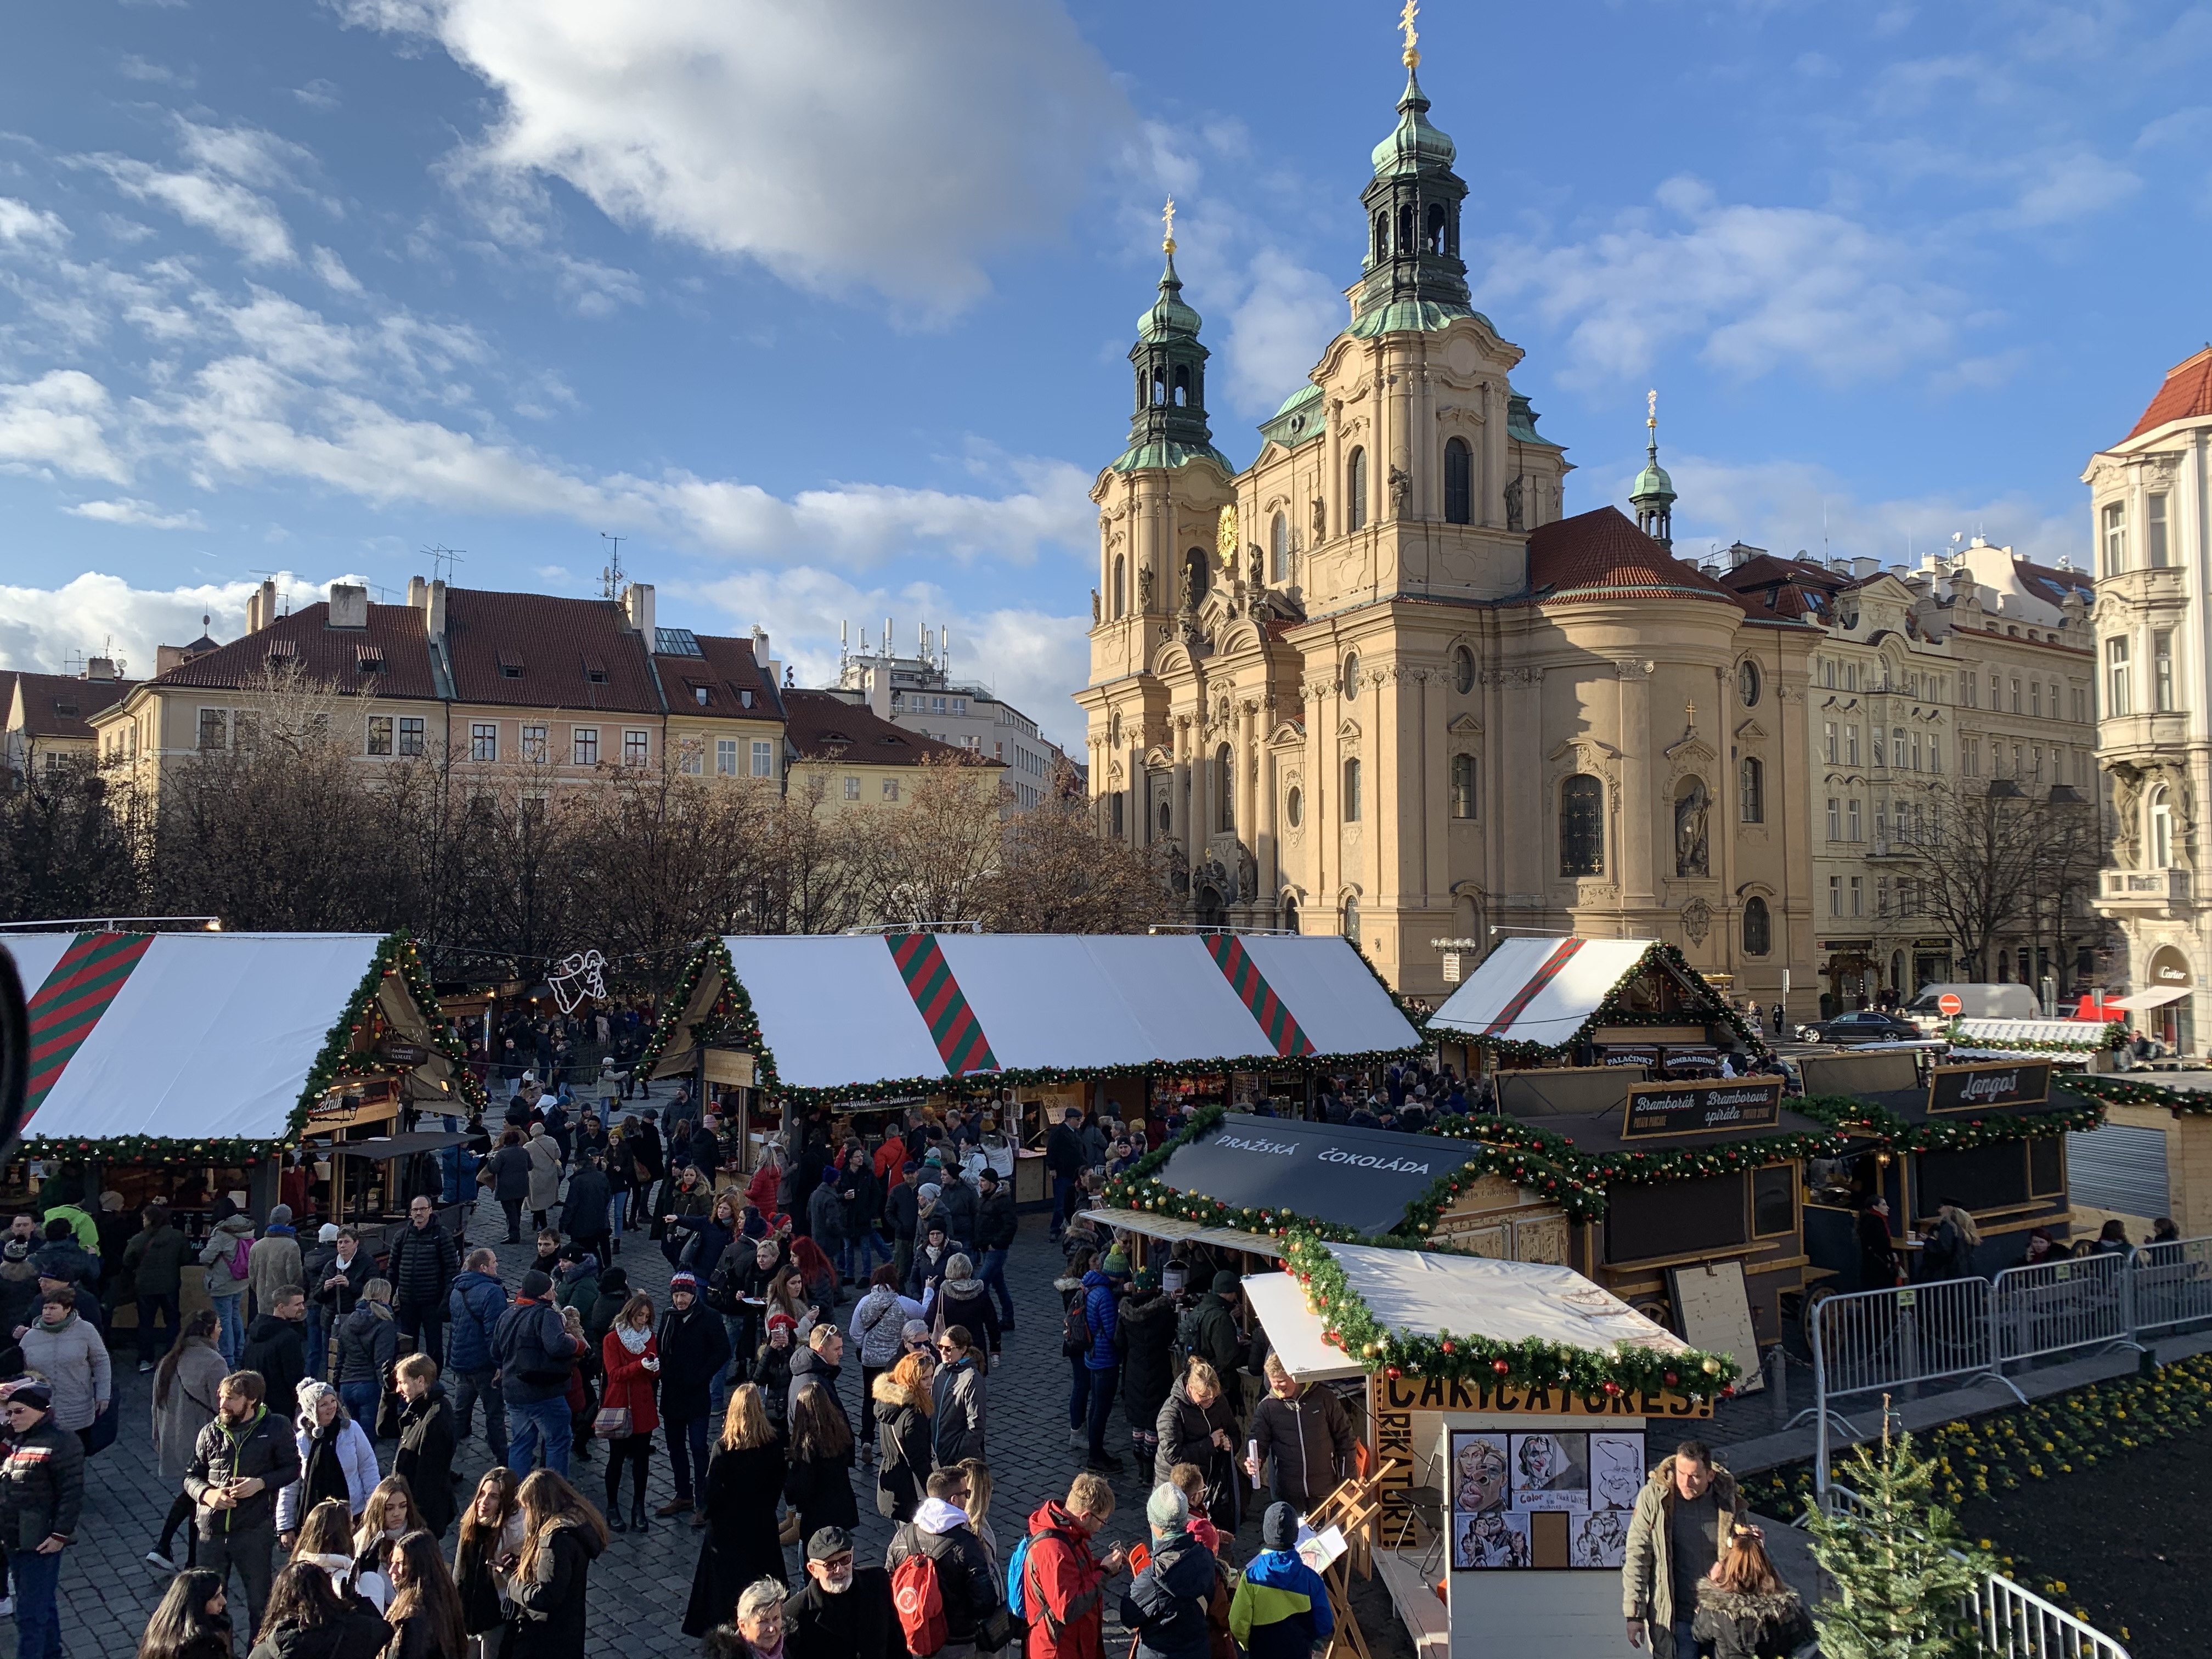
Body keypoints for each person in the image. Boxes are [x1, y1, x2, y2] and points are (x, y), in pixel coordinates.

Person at [185, 1369, 302, 1645]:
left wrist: (261, 1483)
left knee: (260, 1605)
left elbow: (293, 1468)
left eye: (231, 1399)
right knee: (206, 1607)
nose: (223, 1404)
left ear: (252, 1401)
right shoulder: (210, 1431)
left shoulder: (276, 1427)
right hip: (210, 1533)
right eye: (221, 1397)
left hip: (253, 1531)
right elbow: (190, 1476)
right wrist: (207, 1495)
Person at [1623, 1441, 1751, 1659]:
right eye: (1681, 1473)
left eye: (1695, 1476)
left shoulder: (1728, 1500)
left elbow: (1744, 1557)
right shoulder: (1655, 1498)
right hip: (1677, 1617)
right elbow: (1638, 1555)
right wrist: (1634, 1615)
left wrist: (1752, 1542)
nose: (1685, 1482)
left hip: (1722, 1615)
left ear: (1710, 1475)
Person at [683, 1384, 787, 1640]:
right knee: (761, 1584)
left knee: (723, 1590)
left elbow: (712, 1494)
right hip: (761, 1526)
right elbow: (777, 1486)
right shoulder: (773, 1444)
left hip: (727, 1530)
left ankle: (729, 1632)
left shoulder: (725, 1448)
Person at [1, 1381, 82, 1659]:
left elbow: (71, 1493)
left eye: (19, 1411)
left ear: (39, 1411)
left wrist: (60, 1535)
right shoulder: (12, 1438)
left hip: (41, 1541)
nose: (13, 1418)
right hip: (13, 1537)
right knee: (42, 1605)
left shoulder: (62, 1441)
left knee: (29, 1615)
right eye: (9, 1413)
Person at [884, 1469, 1001, 1659]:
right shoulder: (967, 1544)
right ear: (954, 1500)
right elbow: (984, 1602)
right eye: (967, 1494)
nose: (968, 1499)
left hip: (914, 1635)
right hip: (957, 1641)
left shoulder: (904, 1535)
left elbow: (889, 1578)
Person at [150, 1309, 232, 1570]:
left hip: (173, 1437)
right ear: (209, 1330)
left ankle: (175, 1552)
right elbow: (224, 1407)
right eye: (218, 1326)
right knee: (200, 1495)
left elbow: (155, 1404)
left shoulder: (169, 1359)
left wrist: (158, 1437)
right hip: (205, 1443)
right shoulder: (214, 1362)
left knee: (194, 1494)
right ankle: (178, 1553)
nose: (221, 1330)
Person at [1020, 1470, 1128, 1659]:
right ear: (1085, 1516)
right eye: (1102, 1521)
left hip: (1072, 1644)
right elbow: (1068, 1609)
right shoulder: (1055, 1550)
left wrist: (1102, 1567)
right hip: (1059, 1651)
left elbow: (1075, 1577)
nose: (1103, 1526)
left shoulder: (1069, 1534)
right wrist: (1103, 1572)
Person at [501, 1470, 609, 1659]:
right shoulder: (575, 1527)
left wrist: (513, 1583)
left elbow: (546, 1596)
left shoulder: (554, 1542)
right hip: (568, 1632)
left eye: (528, 1508)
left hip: (545, 1639)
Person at [657, 1271, 733, 1521]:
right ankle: (683, 1494)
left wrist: (701, 1375)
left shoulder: (709, 1317)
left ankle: (703, 1500)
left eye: (685, 1295)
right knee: (675, 1447)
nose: (680, 1300)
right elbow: (661, 1346)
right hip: (672, 1393)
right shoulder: (669, 1317)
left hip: (697, 1394)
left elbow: (722, 1351)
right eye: (677, 1295)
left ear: (693, 1294)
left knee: (699, 1448)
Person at [492, 1271, 582, 1477]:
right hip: (543, 1392)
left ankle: (515, 1493)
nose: (555, 1294)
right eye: (551, 1289)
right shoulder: (546, 1314)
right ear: (543, 1294)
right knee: (558, 1441)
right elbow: (556, 1345)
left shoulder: (508, 1313)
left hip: (514, 1392)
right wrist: (574, 1343)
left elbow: (495, 1352)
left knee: (521, 1443)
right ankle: (553, 1493)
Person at [1245, 1355, 1357, 1515]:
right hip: (1289, 1494)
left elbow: (1345, 1439)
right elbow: (1257, 1438)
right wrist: (1254, 1459)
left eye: (1282, 1382)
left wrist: (1347, 1480)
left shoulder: (1325, 1398)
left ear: (1295, 1376)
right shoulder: (1267, 1407)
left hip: (1326, 1491)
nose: (1278, 1387)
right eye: (1273, 1383)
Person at [276, 1383, 377, 1545]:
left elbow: (368, 1467)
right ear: (311, 1409)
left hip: (355, 1514)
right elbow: (290, 1485)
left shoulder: (352, 1430)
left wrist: (372, 1507)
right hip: (317, 1518)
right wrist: (285, 1526)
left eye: (333, 1401)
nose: (331, 1407)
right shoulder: (300, 1441)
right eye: (323, 1404)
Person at [1118, 1485, 1213, 1659]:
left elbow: (1129, 1616)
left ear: (1157, 1526)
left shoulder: (1152, 1578)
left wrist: (1139, 1580)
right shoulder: (1205, 1555)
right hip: (1198, 1650)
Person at [1690, 1527, 1814, 1659]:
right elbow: (1806, 1640)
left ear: (1729, 1566)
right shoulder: (1784, 1608)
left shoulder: (1715, 1607)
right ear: (1765, 1566)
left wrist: (1712, 1585)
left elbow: (1699, 1634)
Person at [1229, 1502, 1333, 1659]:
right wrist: (1305, 1639)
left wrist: (1252, 1644)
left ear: (1265, 1533)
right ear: (1296, 1535)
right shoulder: (1311, 1579)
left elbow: (1237, 1623)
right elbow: (1324, 1622)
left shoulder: (1250, 1578)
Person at [784, 1525, 900, 1659]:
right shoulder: (795, 1614)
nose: (839, 1570)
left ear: (852, 1555)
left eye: (845, 1560)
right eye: (830, 1565)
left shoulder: (877, 1582)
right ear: (813, 1569)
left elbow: (896, 1641)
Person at [599, 1290, 662, 1534]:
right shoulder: (612, 1340)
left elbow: (653, 1374)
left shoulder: (650, 1338)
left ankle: (639, 1507)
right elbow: (614, 1374)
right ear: (630, 1314)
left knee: (642, 1460)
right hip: (620, 1405)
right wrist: (640, 1366)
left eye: (646, 1316)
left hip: (643, 1405)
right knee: (616, 1458)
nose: (643, 1320)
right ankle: (613, 1507)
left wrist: (654, 1368)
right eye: (639, 1315)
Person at [19, 1286, 110, 1452]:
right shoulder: (30, 1337)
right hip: (43, 1410)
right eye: (45, 1308)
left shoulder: (86, 1330)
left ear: (67, 1309)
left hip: (78, 1407)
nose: (47, 1312)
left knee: (76, 1457)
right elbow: (22, 1372)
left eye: (53, 1308)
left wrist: (103, 1394)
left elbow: (101, 1361)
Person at [1154, 1361, 1239, 1540]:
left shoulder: (1219, 1401)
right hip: (1175, 1486)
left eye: (1213, 1397)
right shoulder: (1172, 1411)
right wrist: (1210, 1444)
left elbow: (1234, 1430)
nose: (1209, 1402)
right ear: (1190, 1388)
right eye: (1204, 1397)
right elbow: (1173, 1454)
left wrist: (1229, 1443)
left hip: (1206, 1485)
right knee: (1175, 1540)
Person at [244, 1561, 391, 1659]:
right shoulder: (356, 1630)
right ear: (325, 1591)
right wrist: (357, 1603)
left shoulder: (265, 1650)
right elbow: (384, 1632)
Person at [447, 1249, 511, 1469]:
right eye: (494, 1262)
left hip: (461, 1362)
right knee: (494, 1413)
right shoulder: (492, 1293)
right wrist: (499, 1365)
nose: (497, 1265)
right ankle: (504, 1458)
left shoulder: (457, 1290)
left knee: (460, 1413)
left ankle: (441, 1460)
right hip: (484, 1365)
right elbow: (494, 1334)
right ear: (483, 1268)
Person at [848, 1266, 918, 1464]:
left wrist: (866, 1345)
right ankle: (895, 1441)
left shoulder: (864, 1302)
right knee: (895, 1400)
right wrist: (929, 1291)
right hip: (894, 1362)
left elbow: (855, 1332)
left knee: (869, 1398)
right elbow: (924, 1313)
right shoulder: (903, 1303)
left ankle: (867, 1440)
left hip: (870, 1360)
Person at [454, 1469, 524, 1659]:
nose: (484, 1502)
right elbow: (460, 1572)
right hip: (468, 1614)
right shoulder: (472, 1522)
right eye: (482, 1494)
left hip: (496, 1617)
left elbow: (518, 1581)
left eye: (493, 1497)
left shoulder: (515, 1534)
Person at [386, 1198, 461, 1368]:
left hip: (432, 1302)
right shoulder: (401, 1236)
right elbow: (393, 1269)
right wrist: (388, 1297)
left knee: (434, 1346)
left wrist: (445, 1301)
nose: (418, 1213)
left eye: (422, 1209)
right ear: (411, 1213)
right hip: (407, 1302)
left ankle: (433, 1383)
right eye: (415, 1210)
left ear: (430, 1210)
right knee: (407, 1344)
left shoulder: (441, 1235)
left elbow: (451, 1270)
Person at [1114, 1269, 1176, 1469]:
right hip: (1158, 1370)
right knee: (1153, 1422)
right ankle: (1149, 1467)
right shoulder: (1163, 1312)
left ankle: (1140, 1463)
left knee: (1138, 1420)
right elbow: (1170, 1337)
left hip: (1134, 1372)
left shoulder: (1126, 1314)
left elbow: (1119, 1342)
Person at [783, 1380, 858, 1542]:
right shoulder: (839, 1430)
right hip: (842, 1507)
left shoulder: (809, 1445)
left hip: (818, 1515)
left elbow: (804, 1486)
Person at [392, 1355, 458, 1539]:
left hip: (420, 1517)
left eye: (402, 1383)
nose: (398, 1389)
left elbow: (428, 1479)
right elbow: (384, 1427)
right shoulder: (421, 1406)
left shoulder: (434, 1419)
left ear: (420, 1381)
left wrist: (413, 1517)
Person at [381, 1529, 466, 1659]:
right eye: (392, 1563)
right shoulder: (445, 1599)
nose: (392, 1570)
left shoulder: (414, 1617)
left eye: (399, 1563)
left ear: (419, 1565)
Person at [871, 1351, 935, 1523]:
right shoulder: (914, 1415)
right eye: (924, 1379)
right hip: (911, 1493)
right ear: (912, 1381)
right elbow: (919, 1460)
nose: (930, 1383)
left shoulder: (888, 1403)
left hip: (894, 1485)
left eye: (931, 1377)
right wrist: (934, 1494)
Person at [125, 1204, 190, 1373]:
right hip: (170, 1284)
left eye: (145, 1218)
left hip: (145, 1286)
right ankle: (172, 1358)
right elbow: (186, 1258)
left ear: (150, 1219)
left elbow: (128, 1261)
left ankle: (145, 1360)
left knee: (146, 1323)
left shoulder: (139, 1239)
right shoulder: (178, 1236)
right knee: (173, 1320)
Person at [331, 1278, 398, 1436]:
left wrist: (336, 1385)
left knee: (355, 1436)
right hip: (369, 1387)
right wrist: (389, 1394)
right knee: (367, 1440)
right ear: (385, 1297)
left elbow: (340, 1357)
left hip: (347, 1385)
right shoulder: (385, 1324)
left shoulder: (349, 1320)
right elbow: (382, 1362)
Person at [351, 1477, 421, 1612]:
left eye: (403, 1506)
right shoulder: (364, 1541)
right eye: (389, 1508)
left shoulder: (418, 1537)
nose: (397, 1513)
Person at [241, 1288, 311, 1419]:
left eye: (302, 1303)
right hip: (281, 1404)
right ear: (281, 1308)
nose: (302, 1308)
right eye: (297, 1304)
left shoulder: (253, 1332)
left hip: (255, 1400)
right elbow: (294, 1374)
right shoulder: (289, 1337)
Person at [138, 1567, 234, 1659]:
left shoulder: (159, 1630)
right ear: (197, 1604)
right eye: (215, 1597)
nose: (223, 1601)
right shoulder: (201, 1645)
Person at [201, 1214, 258, 1368]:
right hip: (239, 1281)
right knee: (235, 1315)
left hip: (223, 1282)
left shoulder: (222, 1233)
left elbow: (205, 1258)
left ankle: (227, 1356)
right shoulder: (247, 1230)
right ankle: (239, 1351)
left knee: (224, 1319)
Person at [930, 1325, 986, 1468]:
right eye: (940, 1346)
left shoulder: (972, 1378)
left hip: (957, 1459)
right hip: (937, 1454)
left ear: (963, 1349)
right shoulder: (939, 1370)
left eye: (949, 1349)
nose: (943, 1352)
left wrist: (960, 1453)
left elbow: (976, 1423)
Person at [971, 1170, 1018, 1335]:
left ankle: (980, 1317)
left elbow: (1011, 1225)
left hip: (995, 1250)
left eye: (983, 1181)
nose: (980, 1184)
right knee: (999, 1285)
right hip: (986, 1248)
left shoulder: (1003, 1201)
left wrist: (996, 1243)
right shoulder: (985, 1197)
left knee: (980, 1285)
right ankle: (1008, 1318)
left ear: (992, 1182)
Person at [931, 1255, 1002, 1362]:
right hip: (975, 1348)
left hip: (949, 1350)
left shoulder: (942, 1296)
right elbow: (992, 1324)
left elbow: (928, 1322)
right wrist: (995, 1347)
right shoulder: (980, 1294)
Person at [703, 1579, 787, 1659]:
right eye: (763, 1621)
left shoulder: (790, 1644)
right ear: (743, 1626)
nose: (771, 1629)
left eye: (776, 1619)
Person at [248, 1209, 305, 1325]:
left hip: (263, 1300)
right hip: (285, 1304)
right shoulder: (291, 1246)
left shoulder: (256, 1246)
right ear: (288, 1221)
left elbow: (252, 1277)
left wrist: (261, 1291)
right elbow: (295, 1278)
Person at [1917, 1201, 1983, 1283]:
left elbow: (1943, 1250)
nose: (1939, 1211)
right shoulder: (1964, 1228)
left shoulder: (1948, 1228)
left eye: (1942, 1207)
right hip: (1966, 1272)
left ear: (1948, 1209)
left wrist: (1928, 1241)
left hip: (1950, 1275)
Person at [1045, 1108, 1084, 1241]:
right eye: (1078, 1119)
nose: (1080, 1122)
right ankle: (1055, 1230)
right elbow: (1051, 1150)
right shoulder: (1059, 1132)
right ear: (1070, 1119)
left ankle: (1071, 1229)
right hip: (1063, 1172)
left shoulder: (1077, 1132)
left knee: (1074, 1202)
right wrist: (1052, 1167)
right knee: (1061, 1203)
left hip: (1076, 1172)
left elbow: (1080, 1151)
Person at [489, 1132, 534, 1245]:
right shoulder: (524, 1152)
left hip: (507, 1188)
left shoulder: (501, 1154)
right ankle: (514, 1231)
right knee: (517, 1210)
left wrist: (490, 1160)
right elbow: (531, 1166)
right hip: (521, 1186)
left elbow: (494, 1169)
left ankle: (514, 1234)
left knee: (510, 1212)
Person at [1855, 1198, 1898, 1292]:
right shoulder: (1877, 1222)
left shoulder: (1865, 1220)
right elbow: (1882, 1243)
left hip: (1868, 1265)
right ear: (1875, 1207)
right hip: (1878, 1267)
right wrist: (1891, 1257)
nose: (1888, 1208)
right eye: (1884, 1205)